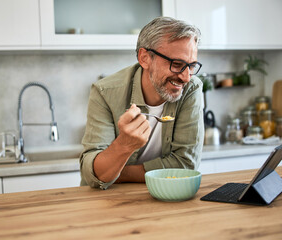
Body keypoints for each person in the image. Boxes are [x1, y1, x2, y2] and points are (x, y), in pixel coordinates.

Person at [80, 16, 204, 189]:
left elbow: (186, 165)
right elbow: (92, 174)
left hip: (164, 195)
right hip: (108, 201)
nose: (185, 77)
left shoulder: (191, 88)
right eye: (177, 64)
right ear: (144, 58)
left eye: (191, 66)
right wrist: (124, 145)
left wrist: (117, 172)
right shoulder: (104, 92)